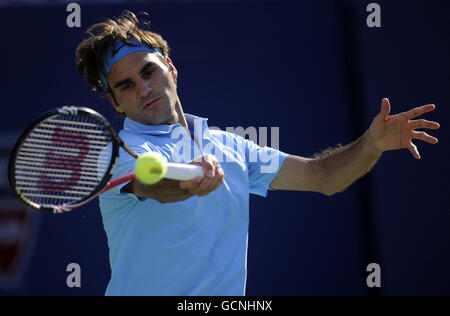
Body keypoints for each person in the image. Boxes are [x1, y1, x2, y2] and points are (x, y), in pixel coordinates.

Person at [75, 11, 440, 296]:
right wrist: (188, 182)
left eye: (149, 73)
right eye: (126, 86)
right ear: (115, 102)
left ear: (170, 68)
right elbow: (152, 183)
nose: (144, 89)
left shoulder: (230, 146)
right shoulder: (119, 151)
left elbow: (324, 177)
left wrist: (371, 143)